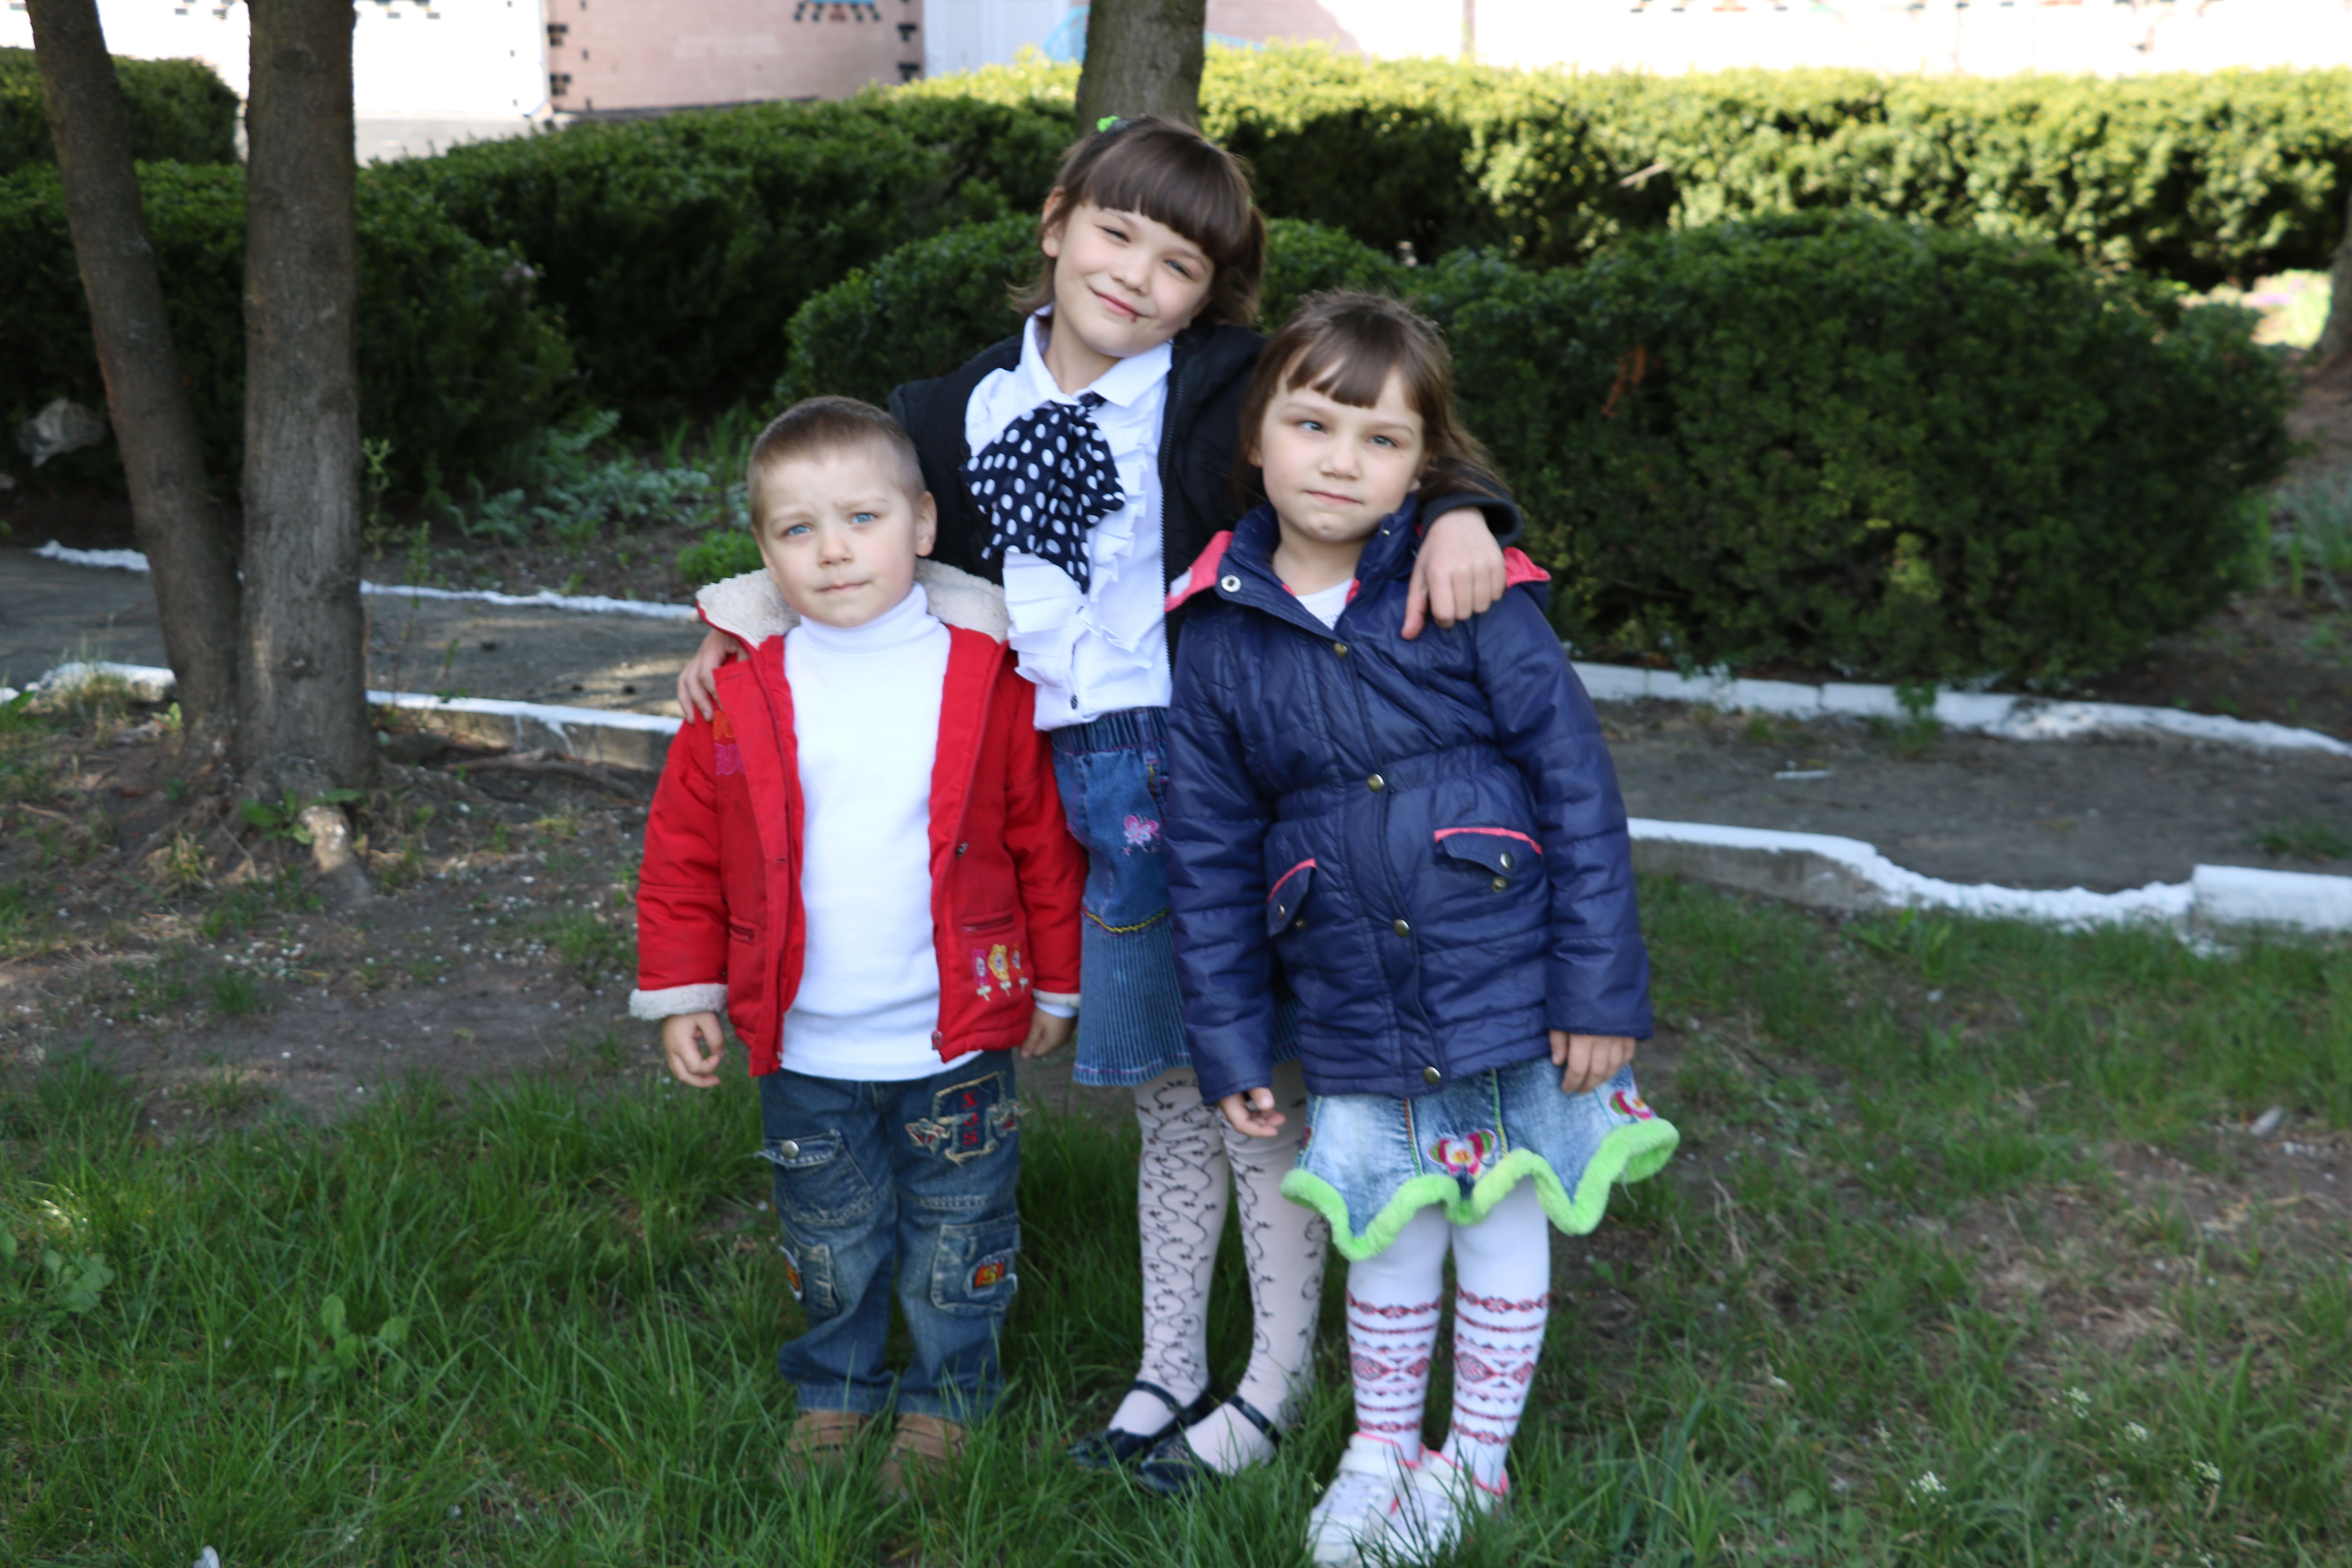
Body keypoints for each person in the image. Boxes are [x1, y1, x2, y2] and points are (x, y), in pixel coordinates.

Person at [675, 117, 1522, 1491]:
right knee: (1165, 1091)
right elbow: (850, 523)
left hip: (1214, 766)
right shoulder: (949, 411)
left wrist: (1467, 510)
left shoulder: (1224, 388)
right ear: (1057, 222)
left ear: (1210, 296)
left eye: (1179, 264)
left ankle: (1276, 1377)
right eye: (1115, 234)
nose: (1135, 275)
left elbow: (1368, 428)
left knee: (1253, 1078)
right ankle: (1167, 1366)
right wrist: (734, 624)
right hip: (1059, 782)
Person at [1163, 292, 1681, 1565]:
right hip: (1352, 994)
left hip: (1505, 980)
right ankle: (1382, 1448)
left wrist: (1599, 991)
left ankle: (1473, 1466)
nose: (1342, 461)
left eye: (1382, 440)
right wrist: (1231, 1040)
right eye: (1313, 425)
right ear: (1257, 439)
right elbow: (1210, 854)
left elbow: (1577, 788)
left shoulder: (1470, 588)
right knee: (1389, 1225)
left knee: (1497, 1217)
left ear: (1423, 466)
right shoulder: (1217, 635)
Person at [629, 396, 1086, 1494]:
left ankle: (948, 1398)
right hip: (809, 1039)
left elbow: (1040, 839)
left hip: (955, 1033)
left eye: (863, 519)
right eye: (799, 530)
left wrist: (1058, 986)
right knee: (828, 1234)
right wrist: (684, 990)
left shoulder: (987, 678)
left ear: (922, 525)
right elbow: (683, 853)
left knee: (959, 1230)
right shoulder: (739, 693)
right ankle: (835, 1385)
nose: (833, 551)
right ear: (764, 554)